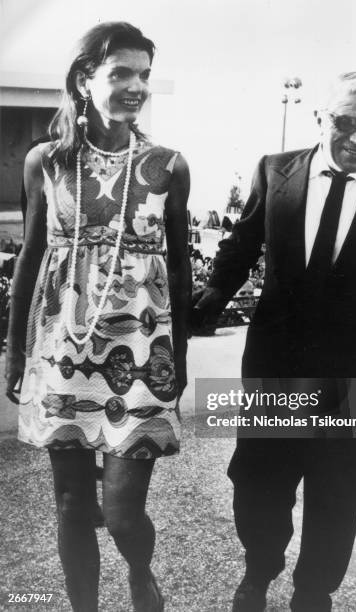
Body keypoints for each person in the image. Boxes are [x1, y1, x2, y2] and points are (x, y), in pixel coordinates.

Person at [195, 72, 356, 611]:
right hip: (276, 365)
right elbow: (242, 243)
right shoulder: (275, 170)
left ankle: (314, 591)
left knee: (338, 491)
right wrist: (212, 293)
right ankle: (260, 569)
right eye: (346, 123)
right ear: (320, 119)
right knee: (259, 482)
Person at [5, 21, 191, 612]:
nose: (136, 86)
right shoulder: (47, 162)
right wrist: (16, 352)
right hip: (63, 354)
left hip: (141, 356)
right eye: (121, 74)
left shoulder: (169, 165)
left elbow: (182, 271)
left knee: (121, 511)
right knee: (69, 507)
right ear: (86, 80)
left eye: (144, 75)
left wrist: (177, 360)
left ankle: (140, 571)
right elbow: (30, 262)